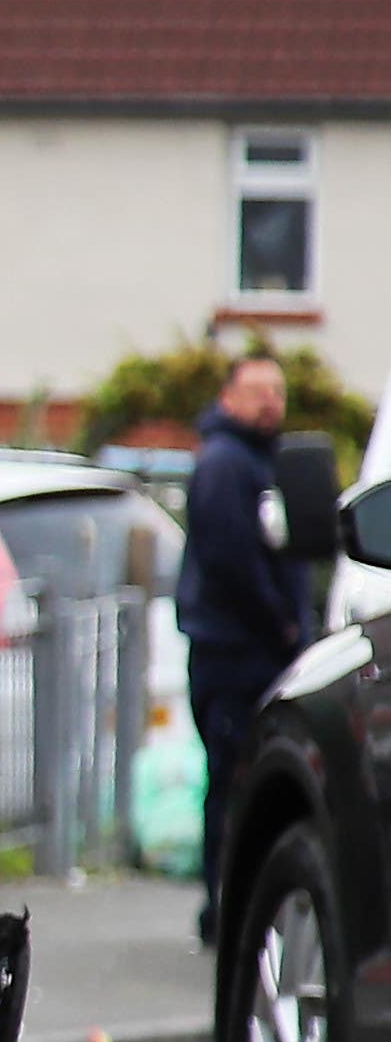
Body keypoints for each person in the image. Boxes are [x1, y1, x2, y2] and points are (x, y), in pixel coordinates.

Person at [179, 348, 311, 939]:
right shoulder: (225, 466)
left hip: (264, 655)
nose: (270, 403)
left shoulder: (267, 462)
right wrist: (282, 627)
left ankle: (243, 907)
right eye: (258, 391)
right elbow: (232, 561)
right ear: (228, 399)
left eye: (277, 392)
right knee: (233, 781)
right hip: (235, 658)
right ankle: (223, 908)